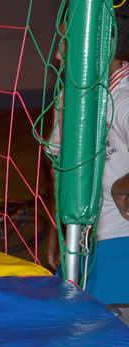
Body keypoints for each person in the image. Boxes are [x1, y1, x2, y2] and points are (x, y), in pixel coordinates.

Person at [45, 14, 129, 305]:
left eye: (67, 43)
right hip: (79, 244)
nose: (58, 55)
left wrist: (122, 186)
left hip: (119, 243)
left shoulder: (123, 99)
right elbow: (58, 164)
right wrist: (56, 228)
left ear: (102, 44)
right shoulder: (70, 96)